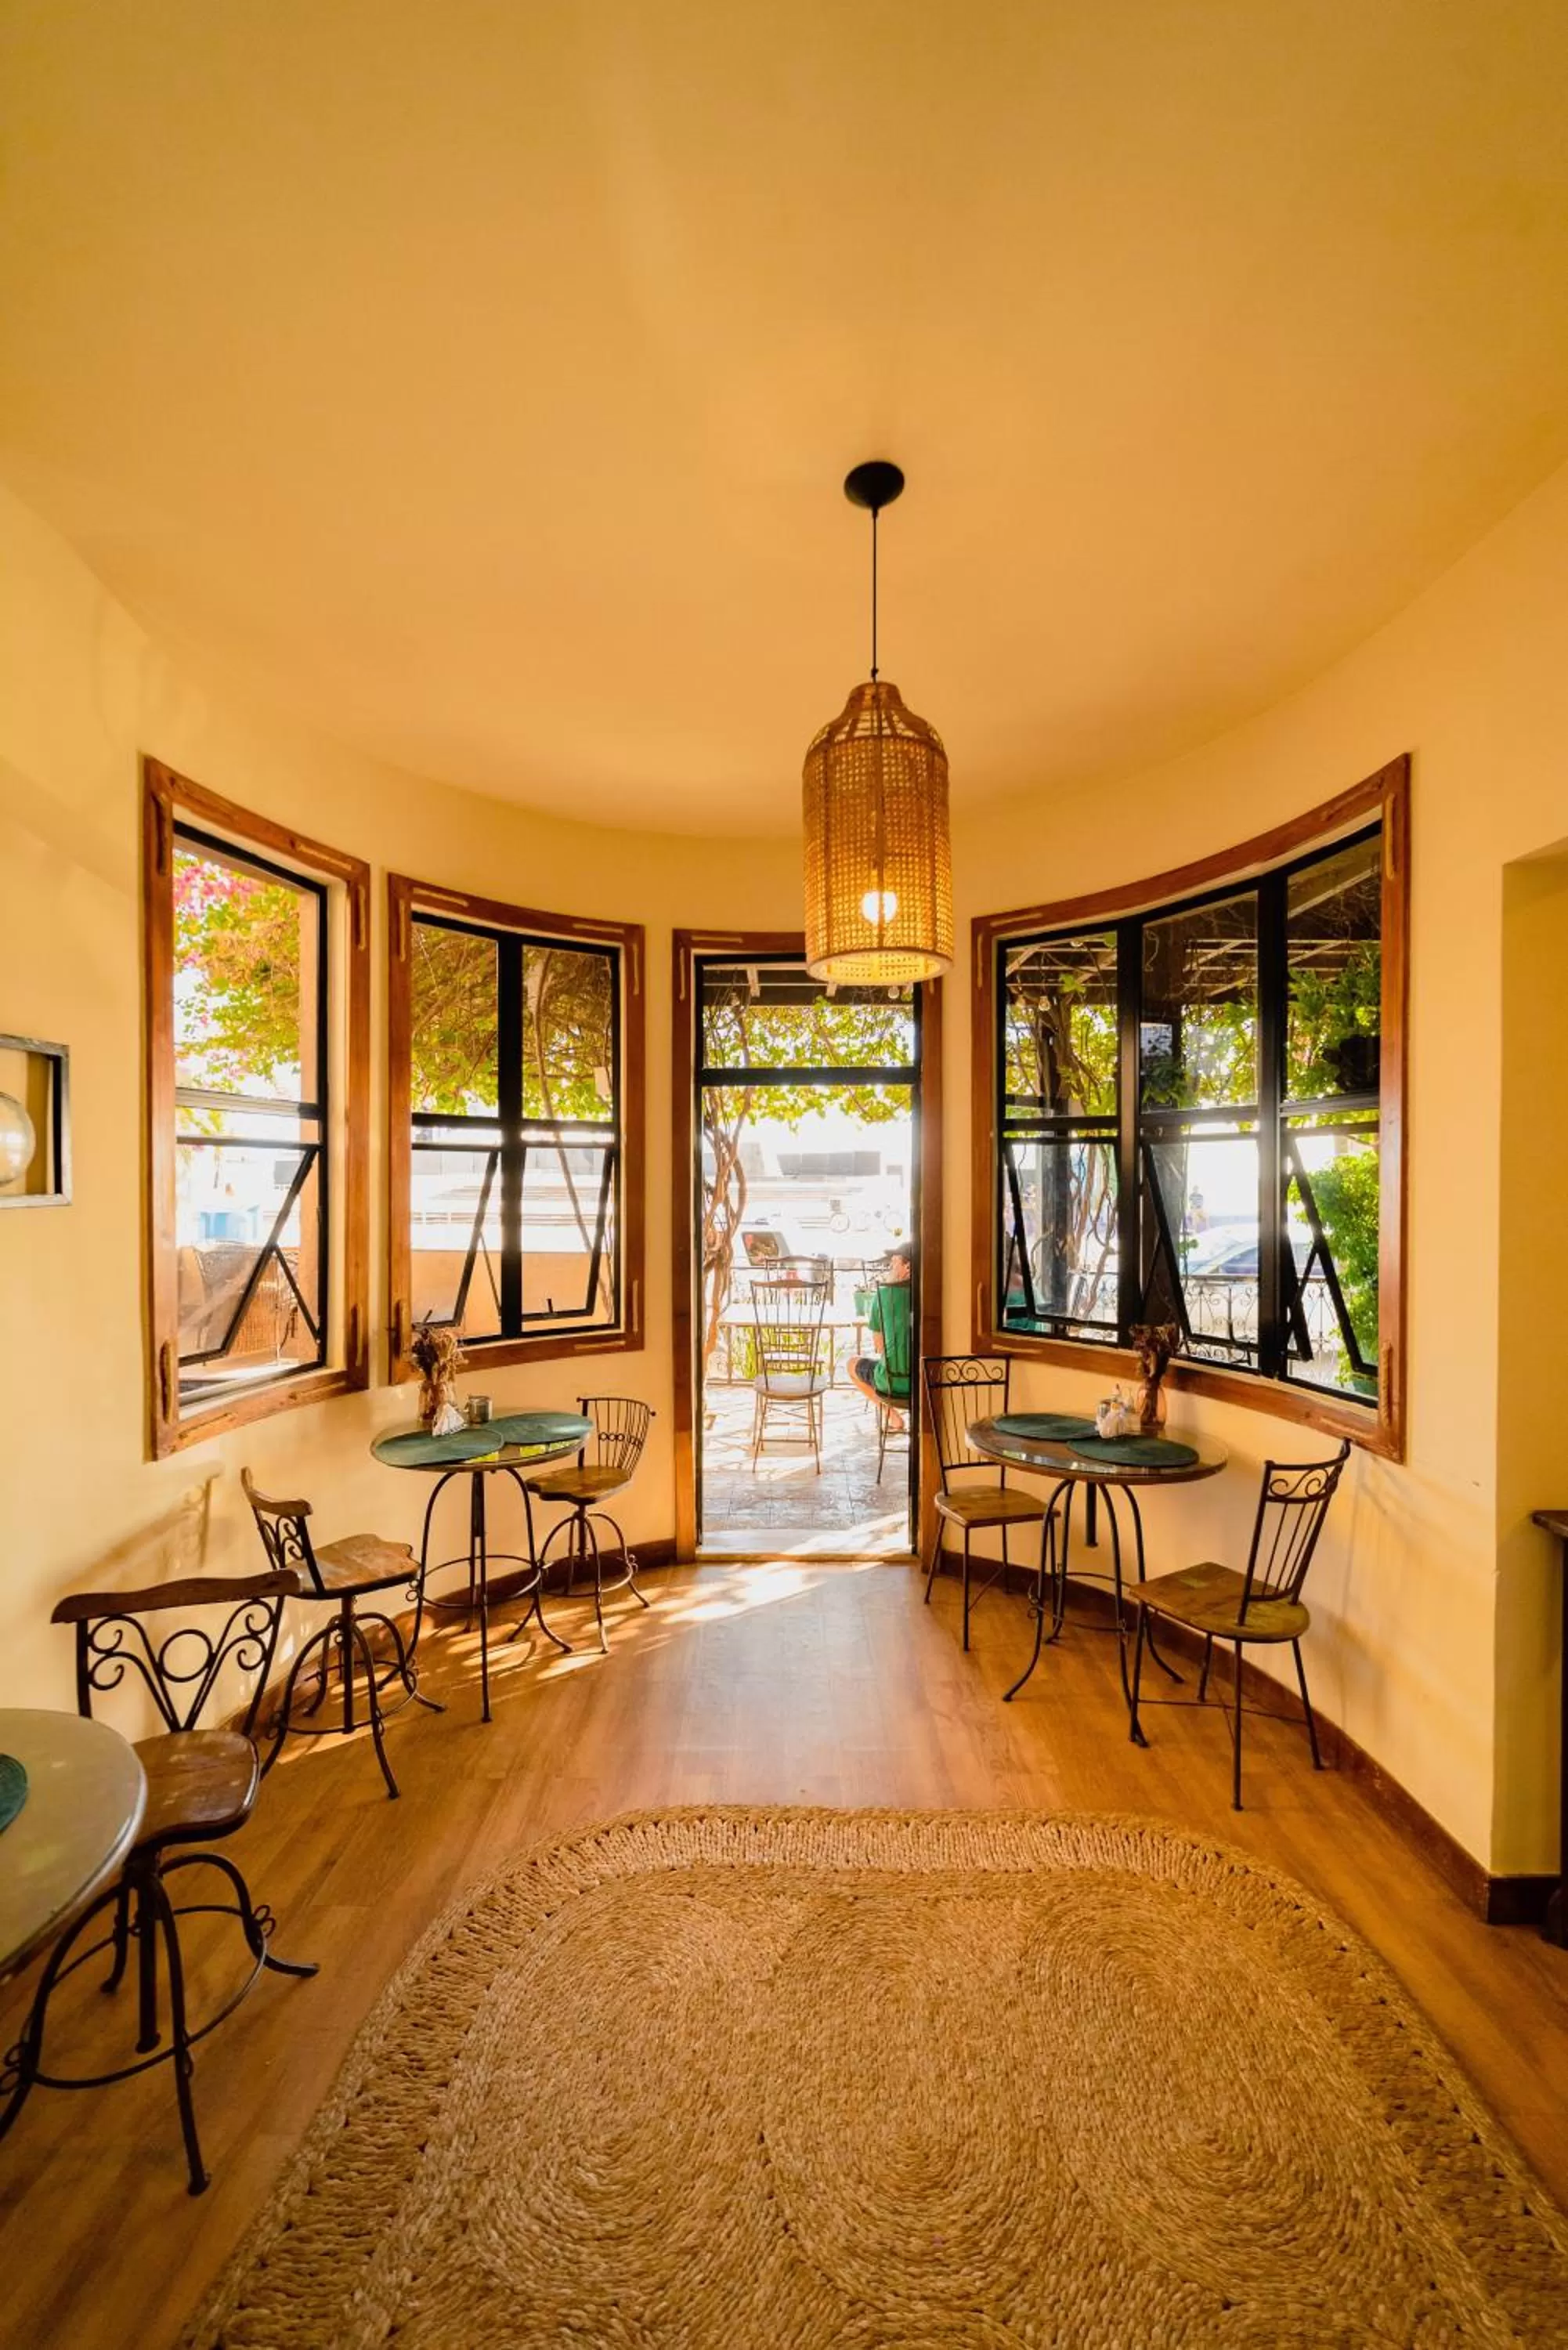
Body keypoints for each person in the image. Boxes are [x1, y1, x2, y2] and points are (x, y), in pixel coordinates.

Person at [848, 1242, 913, 1430]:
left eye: (895, 1262)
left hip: (890, 1382)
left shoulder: (883, 1295)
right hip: (925, 1383)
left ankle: (893, 1417)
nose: (891, 1265)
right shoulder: (931, 1296)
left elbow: (879, 1347)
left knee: (852, 1364)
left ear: (907, 1267)